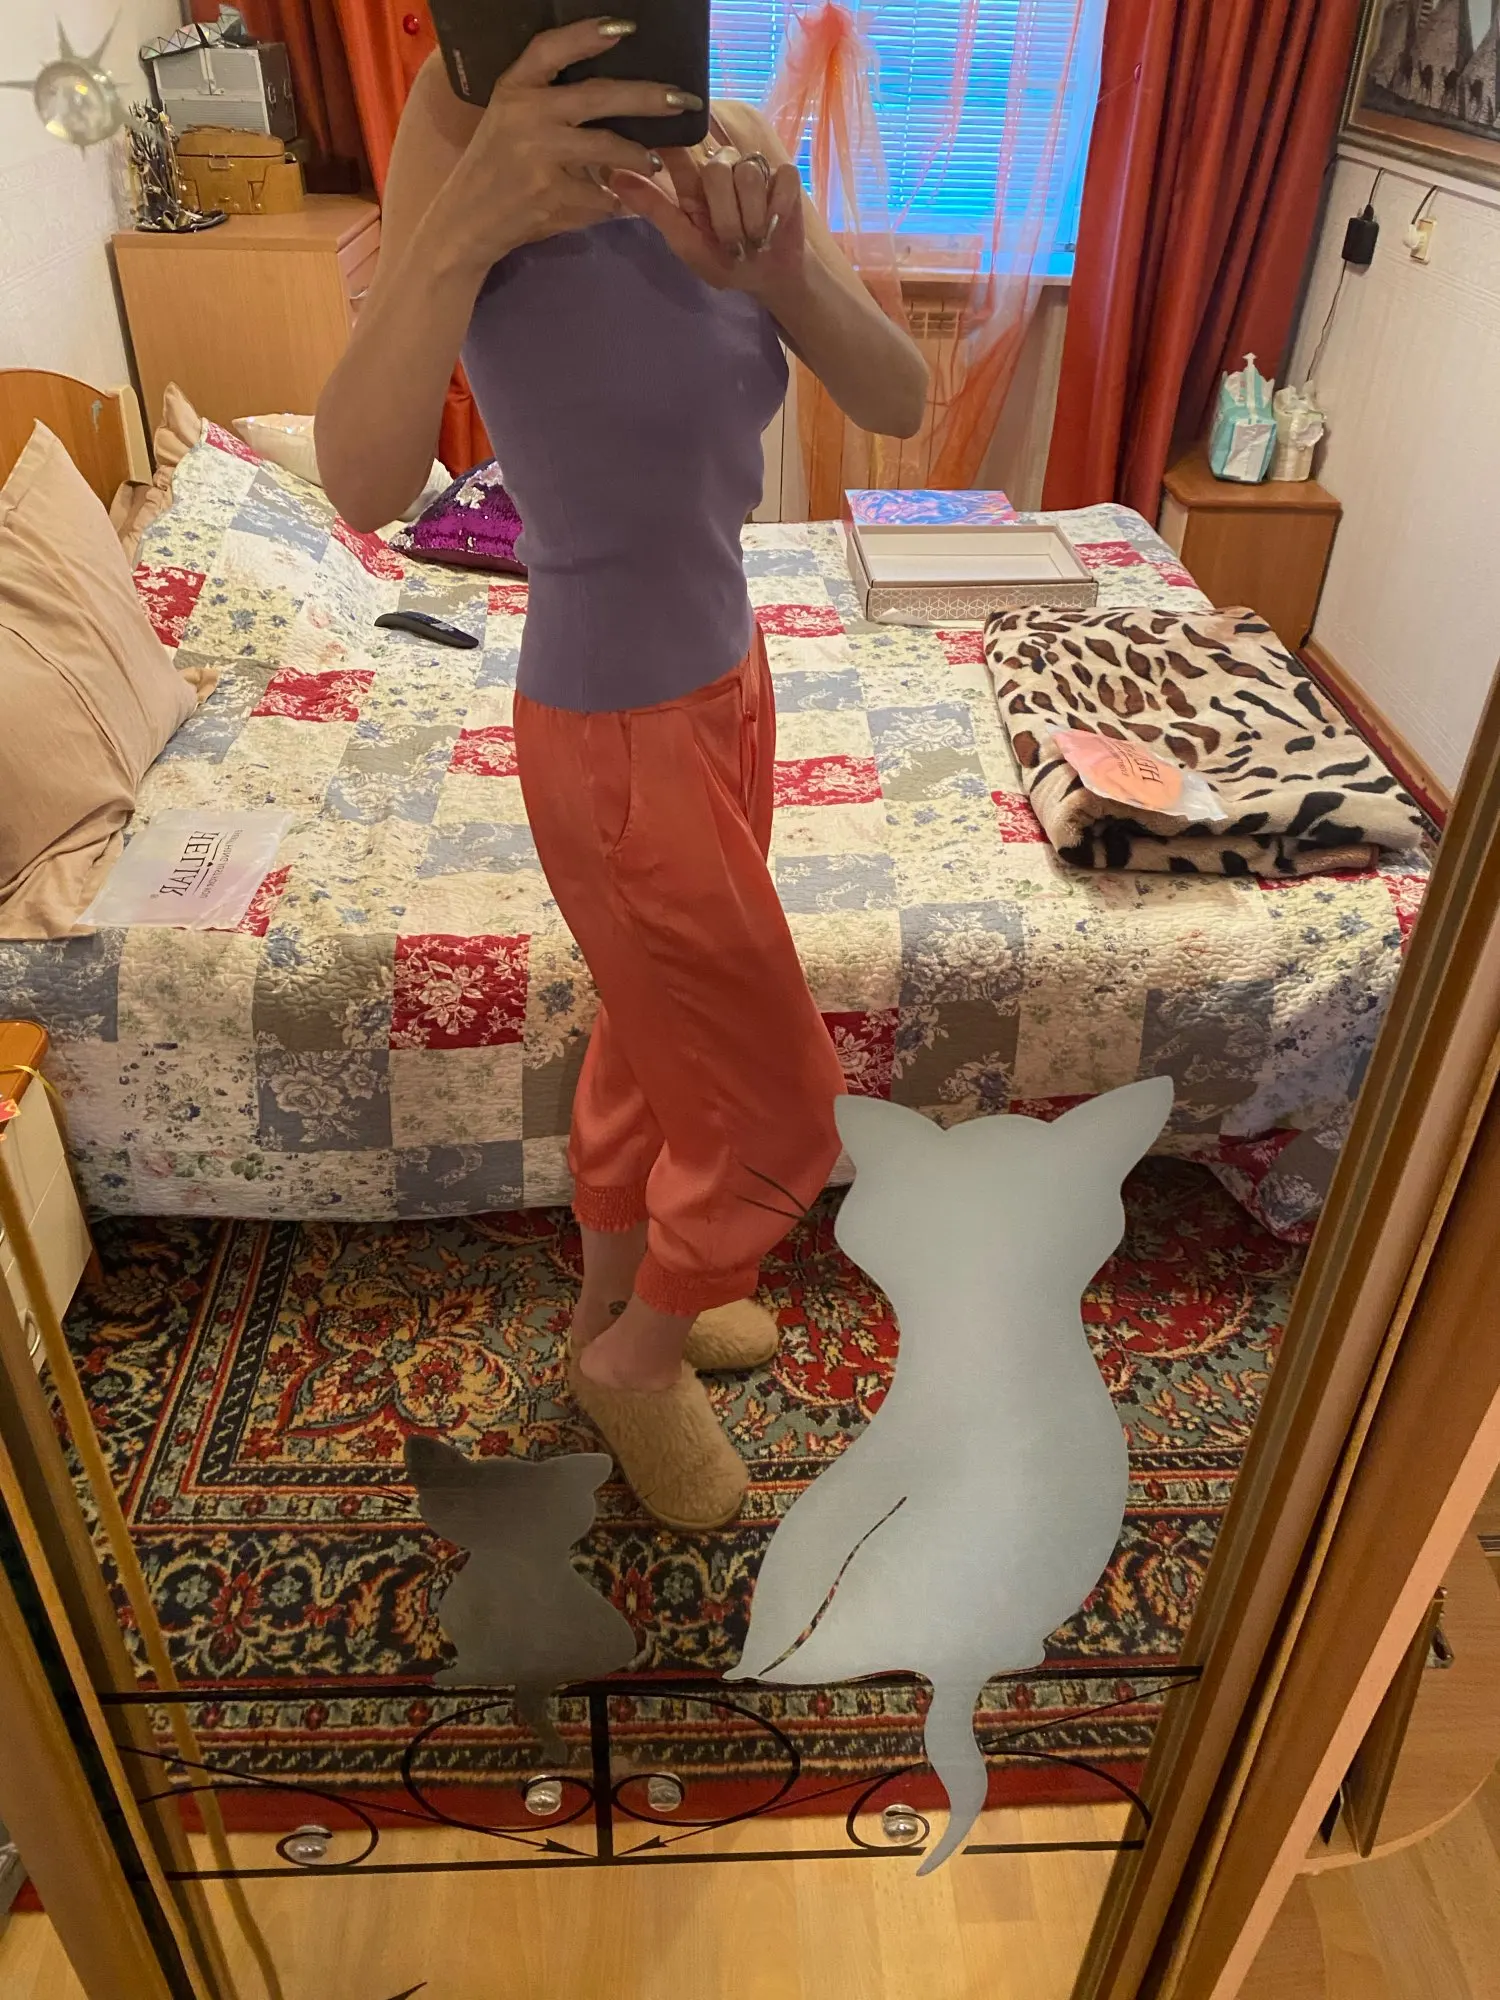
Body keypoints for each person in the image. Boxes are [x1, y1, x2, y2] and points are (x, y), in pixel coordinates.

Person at [317, 18, 928, 1531]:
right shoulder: (466, 139)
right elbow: (361, 481)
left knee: (657, 1043)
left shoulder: (724, 138)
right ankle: (636, 1358)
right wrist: (460, 227)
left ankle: (618, 1294)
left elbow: (900, 396)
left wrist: (777, 268)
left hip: (733, 684)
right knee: (783, 1110)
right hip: (613, 731)